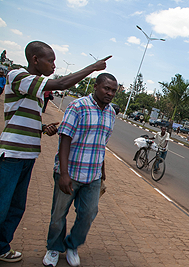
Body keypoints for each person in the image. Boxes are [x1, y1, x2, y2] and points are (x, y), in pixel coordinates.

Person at [0, 41, 111, 263]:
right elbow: (61, 83)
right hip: (12, 154)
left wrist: (43, 128)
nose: (53, 65)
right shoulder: (18, 76)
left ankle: (2, 247)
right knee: (2, 205)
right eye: (50, 60)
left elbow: (20, 115)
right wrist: (92, 68)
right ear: (34, 60)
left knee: (16, 206)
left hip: (29, 155)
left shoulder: (36, 87)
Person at [42, 73, 118, 267]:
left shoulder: (111, 113)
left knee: (88, 214)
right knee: (58, 216)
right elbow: (65, 138)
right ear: (96, 86)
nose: (110, 93)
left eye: (113, 90)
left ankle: (72, 245)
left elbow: (102, 144)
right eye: (106, 88)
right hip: (70, 171)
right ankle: (53, 248)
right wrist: (64, 173)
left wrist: (102, 171)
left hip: (92, 175)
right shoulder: (78, 106)